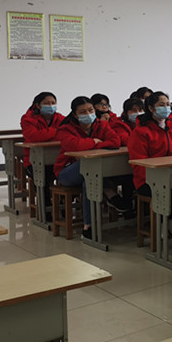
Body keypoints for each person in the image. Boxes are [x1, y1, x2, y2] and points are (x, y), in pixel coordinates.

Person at [53, 96, 124, 239]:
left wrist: (94, 144)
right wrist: (94, 142)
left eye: (90, 110)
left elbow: (115, 141)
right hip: (67, 172)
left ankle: (88, 226)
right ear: (75, 114)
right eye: (83, 112)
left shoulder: (102, 125)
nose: (88, 114)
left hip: (90, 173)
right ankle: (109, 191)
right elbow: (73, 146)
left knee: (90, 180)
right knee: (89, 167)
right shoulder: (65, 129)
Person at [128, 91, 172, 237]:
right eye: (161, 105)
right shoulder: (141, 132)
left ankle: (171, 218)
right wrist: (156, 177)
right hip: (148, 180)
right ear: (151, 108)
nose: (166, 108)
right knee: (166, 192)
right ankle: (161, 221)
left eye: (168, 105)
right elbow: (139, 163)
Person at [20, 91, 65, 211]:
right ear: (38, 105)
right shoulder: (27, 119)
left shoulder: (60, 118)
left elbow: (66, 134)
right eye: (46, 103)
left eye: (53, 103)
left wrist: (48, 134)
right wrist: (55, 131)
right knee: (43, 178)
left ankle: (64, 207)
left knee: (69, 175)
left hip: (57, 159)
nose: (51, 106)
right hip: (33, 161)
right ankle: (46, 211)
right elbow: (34, 136)